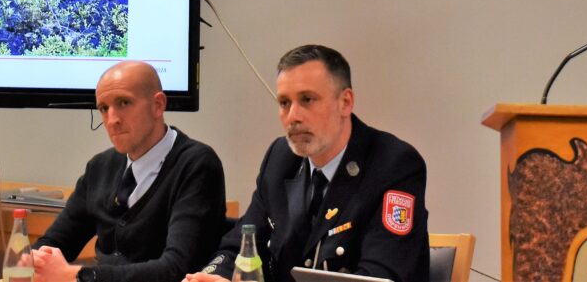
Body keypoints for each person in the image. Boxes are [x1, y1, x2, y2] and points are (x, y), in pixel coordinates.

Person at [186, 45, 430, 282]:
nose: (293, 116)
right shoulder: (280, 158)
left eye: (307, 100)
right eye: (284, 103)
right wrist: (213, 276)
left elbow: (381, 276)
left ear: (345, 102)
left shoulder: (393, 164)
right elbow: (240, 244)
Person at [31, 61, 228, 282]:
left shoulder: (196, 164)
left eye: (123, 103)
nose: (112, 120)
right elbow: (55, 242)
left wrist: (80, 275)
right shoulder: (99, 167)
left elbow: (177, 268)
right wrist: (37, 260)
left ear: (158, 105)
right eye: (104, 108)